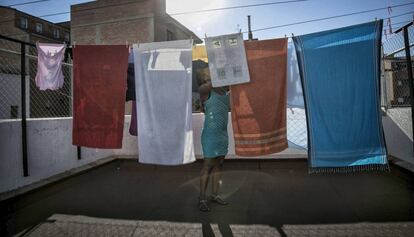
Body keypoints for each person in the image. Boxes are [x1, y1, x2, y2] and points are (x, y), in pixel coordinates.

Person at [198, 81, 230, 212]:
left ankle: (215, 195)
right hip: (210, 135)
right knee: (208, 165)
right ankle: (202, 199)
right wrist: (215, 78)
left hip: (222, 135)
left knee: (219, 164)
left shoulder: (227, 91)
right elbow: (201, 89)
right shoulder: (207, 90)